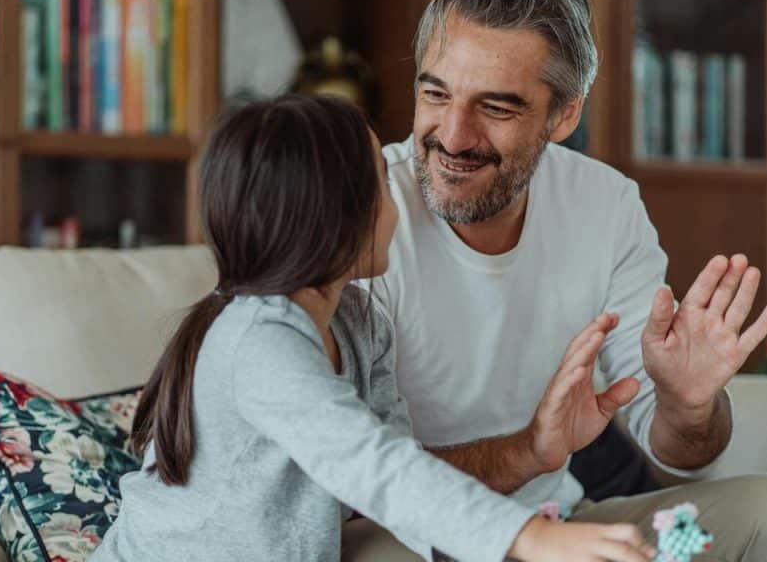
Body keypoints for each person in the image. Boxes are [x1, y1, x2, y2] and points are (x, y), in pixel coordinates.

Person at [352, 0, 767, 560]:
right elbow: (344, 472)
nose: (454, 136)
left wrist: (688, 407)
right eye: (435, 93)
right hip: (411, 538)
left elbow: (681, 453)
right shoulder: (362, 209)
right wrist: (527, 453)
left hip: (561, 525)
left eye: (496, 107)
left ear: (564, 115)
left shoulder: (604, 204)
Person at [90, 95, 660, 562]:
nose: (403, 199)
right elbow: (372, 466)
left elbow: (404, 467)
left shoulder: (361, 324)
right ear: (337, 213)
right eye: (387, 182)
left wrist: (532, 479)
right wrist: (531, 538)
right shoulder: (256, 340)